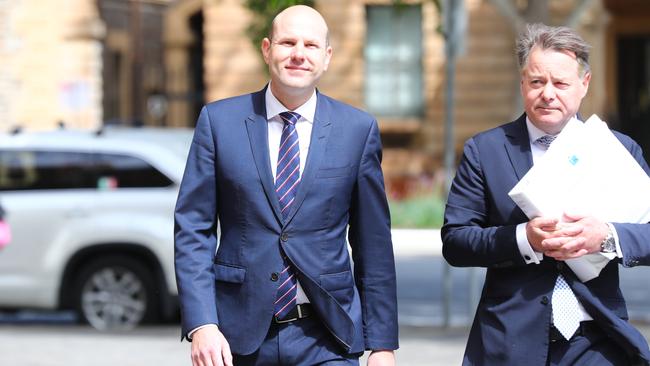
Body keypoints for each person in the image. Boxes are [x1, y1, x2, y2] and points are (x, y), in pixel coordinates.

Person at [174, 5, 398, 366]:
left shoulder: (357, 131)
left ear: (326, 58)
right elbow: (193, 230)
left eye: (310, 45)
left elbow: (373, 243)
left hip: (329, 339)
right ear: (267, 49)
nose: (298, 54)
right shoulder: (219, 123)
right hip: (237, 340)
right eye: (287, 42)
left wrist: (383, 345)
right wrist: (202, 323)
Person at [442, 23, 650, 366]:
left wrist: (607, 236)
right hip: (510, 339)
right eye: (537, 82)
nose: (548, 93)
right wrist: (524, 239)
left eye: (561, 83)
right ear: (523, 82)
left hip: (598, 337)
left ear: (584, 84)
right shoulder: (486, 150)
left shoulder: (617, 149)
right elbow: (456, 240)